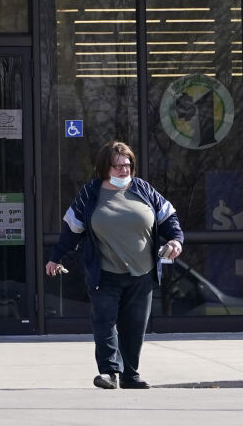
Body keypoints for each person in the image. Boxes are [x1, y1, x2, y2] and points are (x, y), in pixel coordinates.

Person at [45, 140, 183, 389]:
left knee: (134, 325)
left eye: (127, 165)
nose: (124, 170)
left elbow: (168, 217)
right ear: (105, 168)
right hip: (105, 273)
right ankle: (109, 372)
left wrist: (176, 240)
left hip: (142, 272)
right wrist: (56, 257)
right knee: (105, 322)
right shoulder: (91, 193)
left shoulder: (143, 189)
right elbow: (72, 229)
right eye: (118, 166)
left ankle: (130, 374)